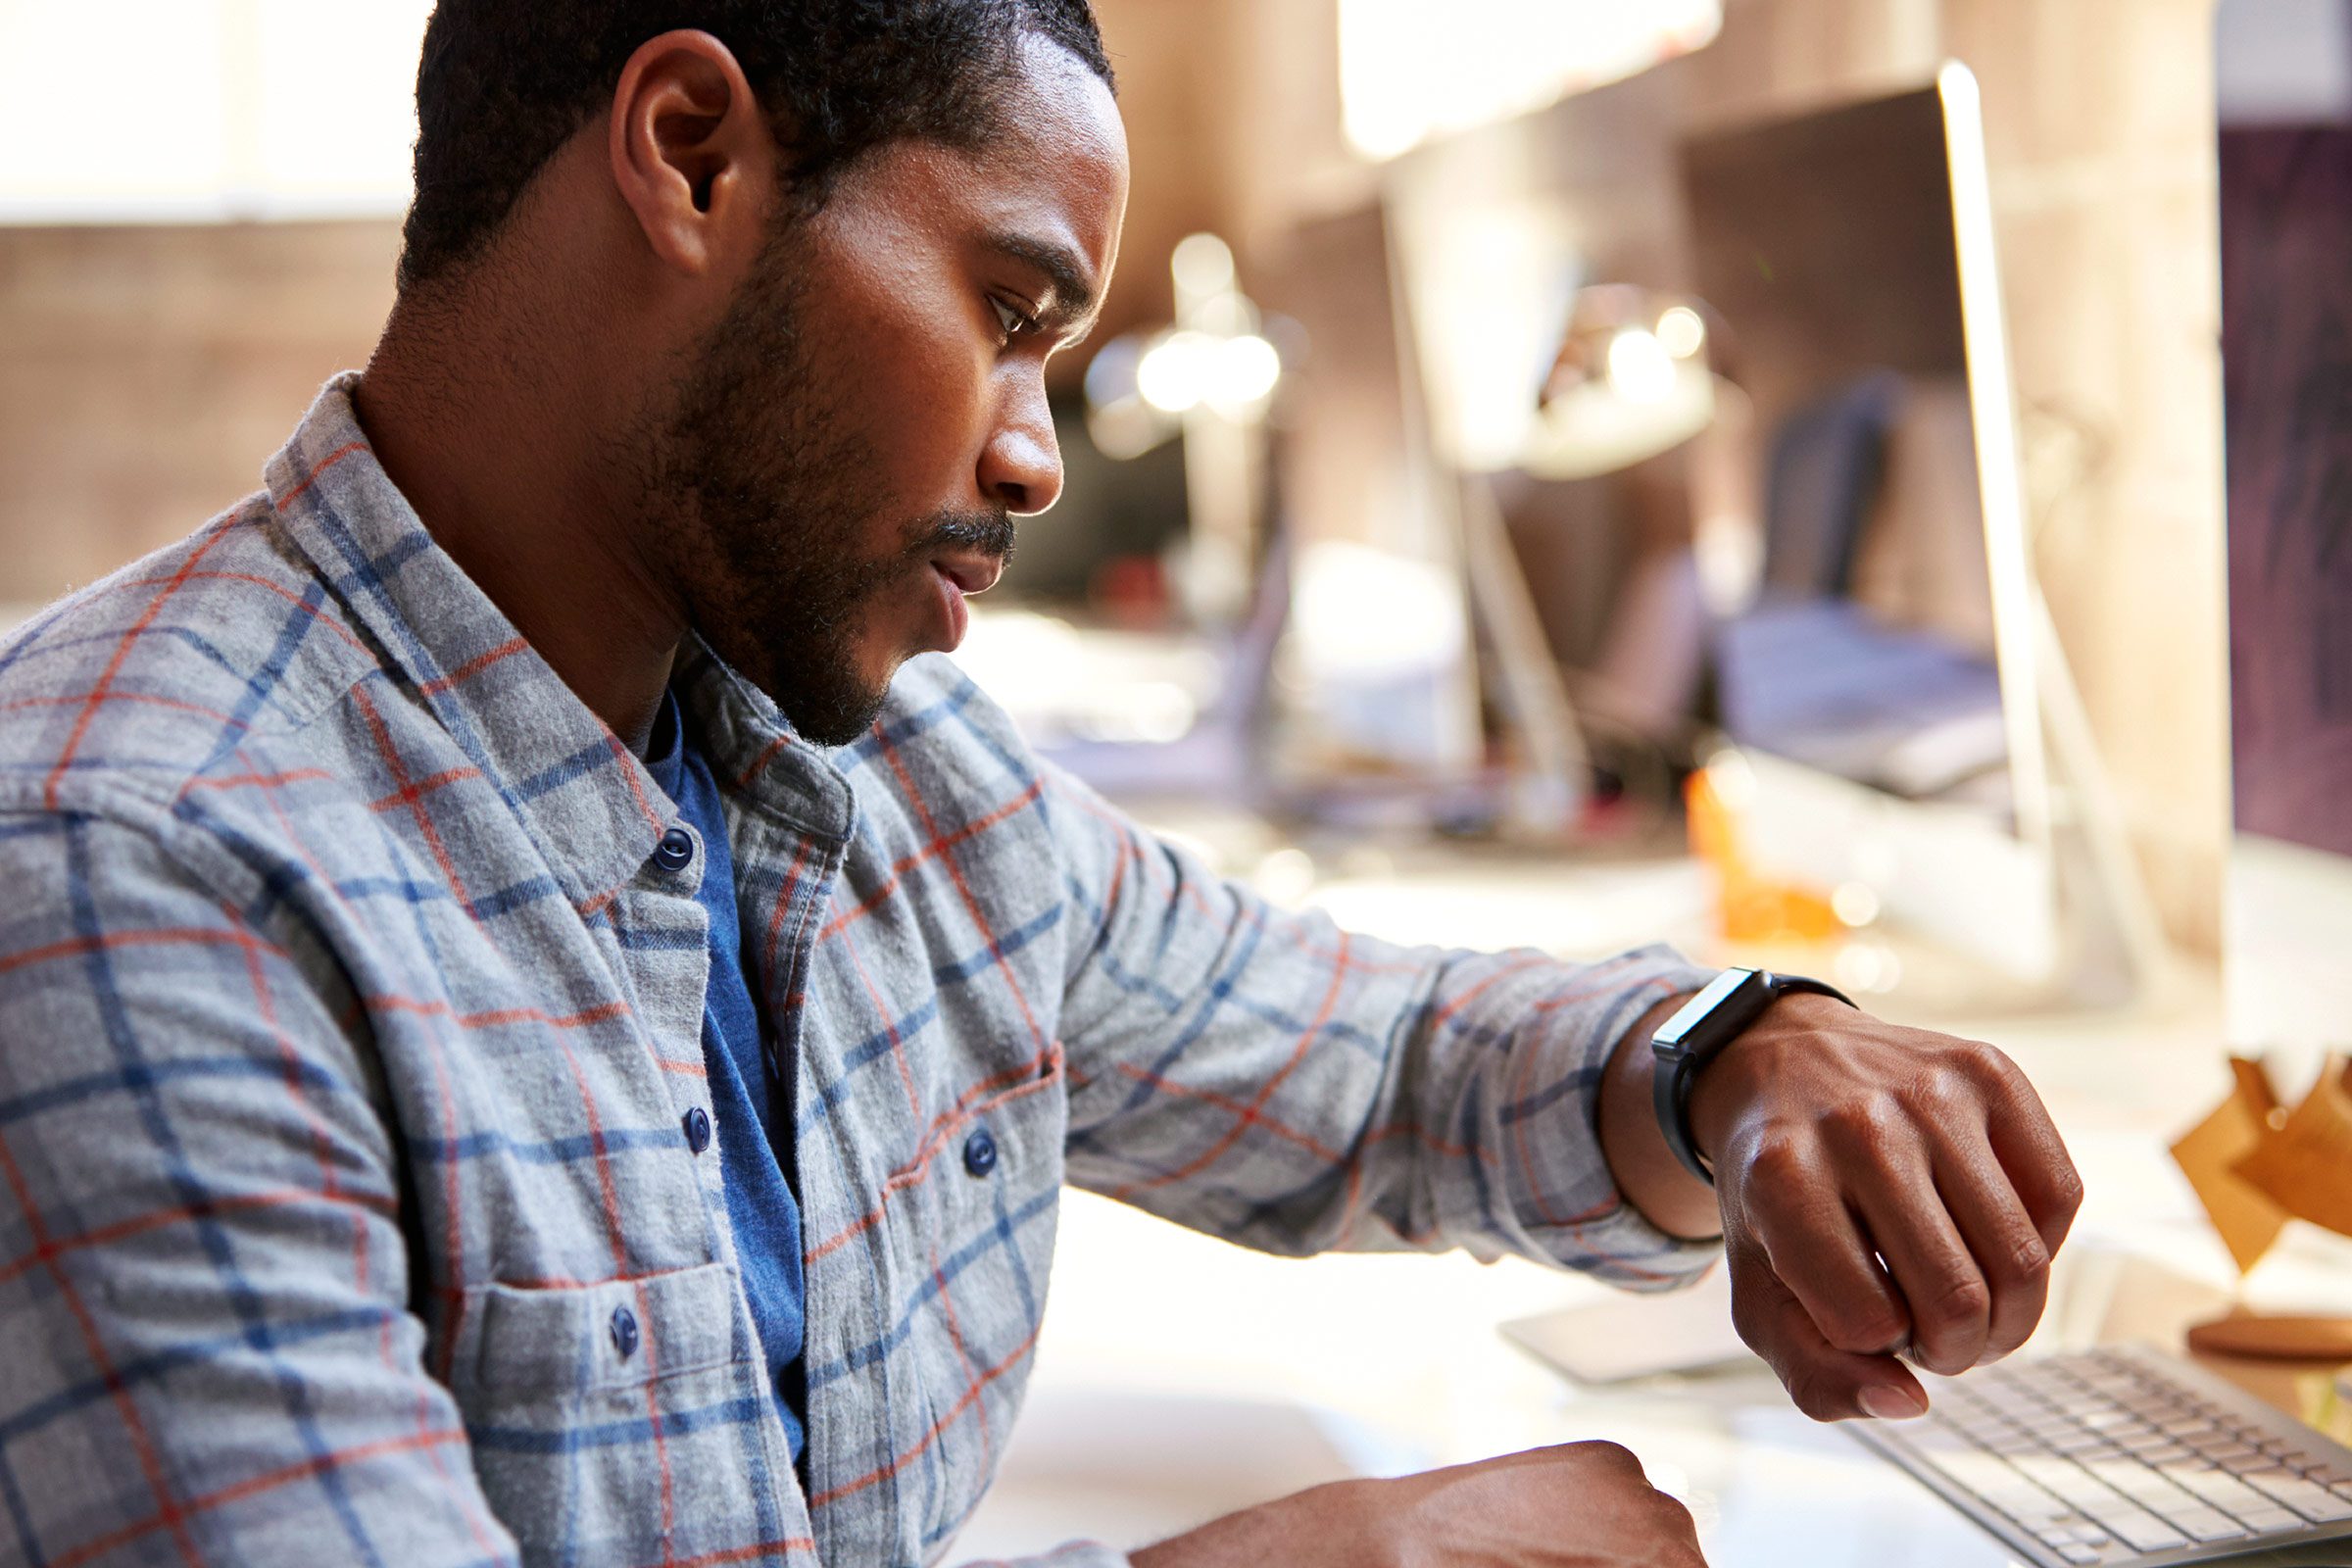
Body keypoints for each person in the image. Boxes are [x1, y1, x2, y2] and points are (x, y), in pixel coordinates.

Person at [0, 4, 2082, 1565]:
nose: (1038, 456)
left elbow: (1373, 1059)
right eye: (1008, 311)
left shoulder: (874, 766)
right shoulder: (136, 869)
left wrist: (1742, 1058)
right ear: (694, 154)